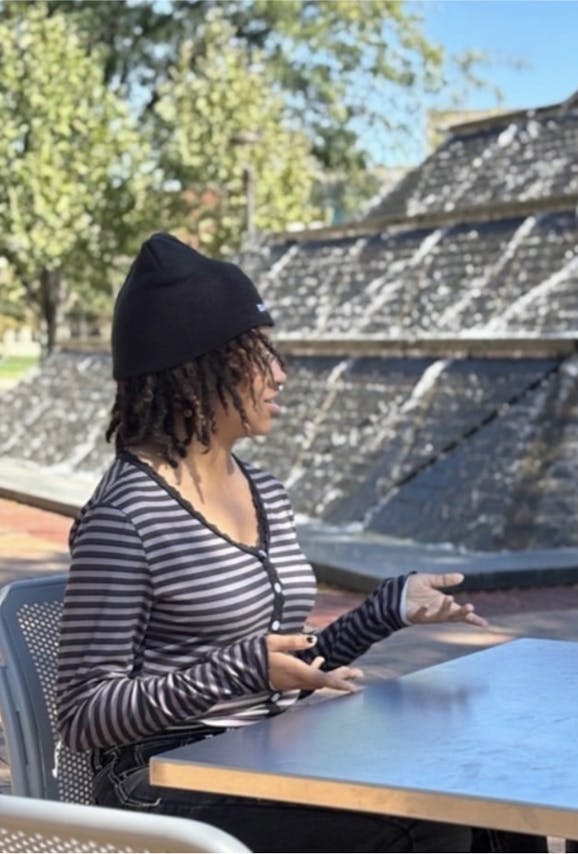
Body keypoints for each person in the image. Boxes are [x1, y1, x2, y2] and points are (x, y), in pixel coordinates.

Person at [55, 233, 490, 852]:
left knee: (488, 801)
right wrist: (236, 671)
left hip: (257, 751)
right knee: (422, 829)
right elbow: (83, 714)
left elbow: (285, 663)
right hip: (158, 781)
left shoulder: (263, 490)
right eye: (257, 355)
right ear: (195, 372)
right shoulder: (126, 516)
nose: (280, 373)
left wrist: (386, 610)